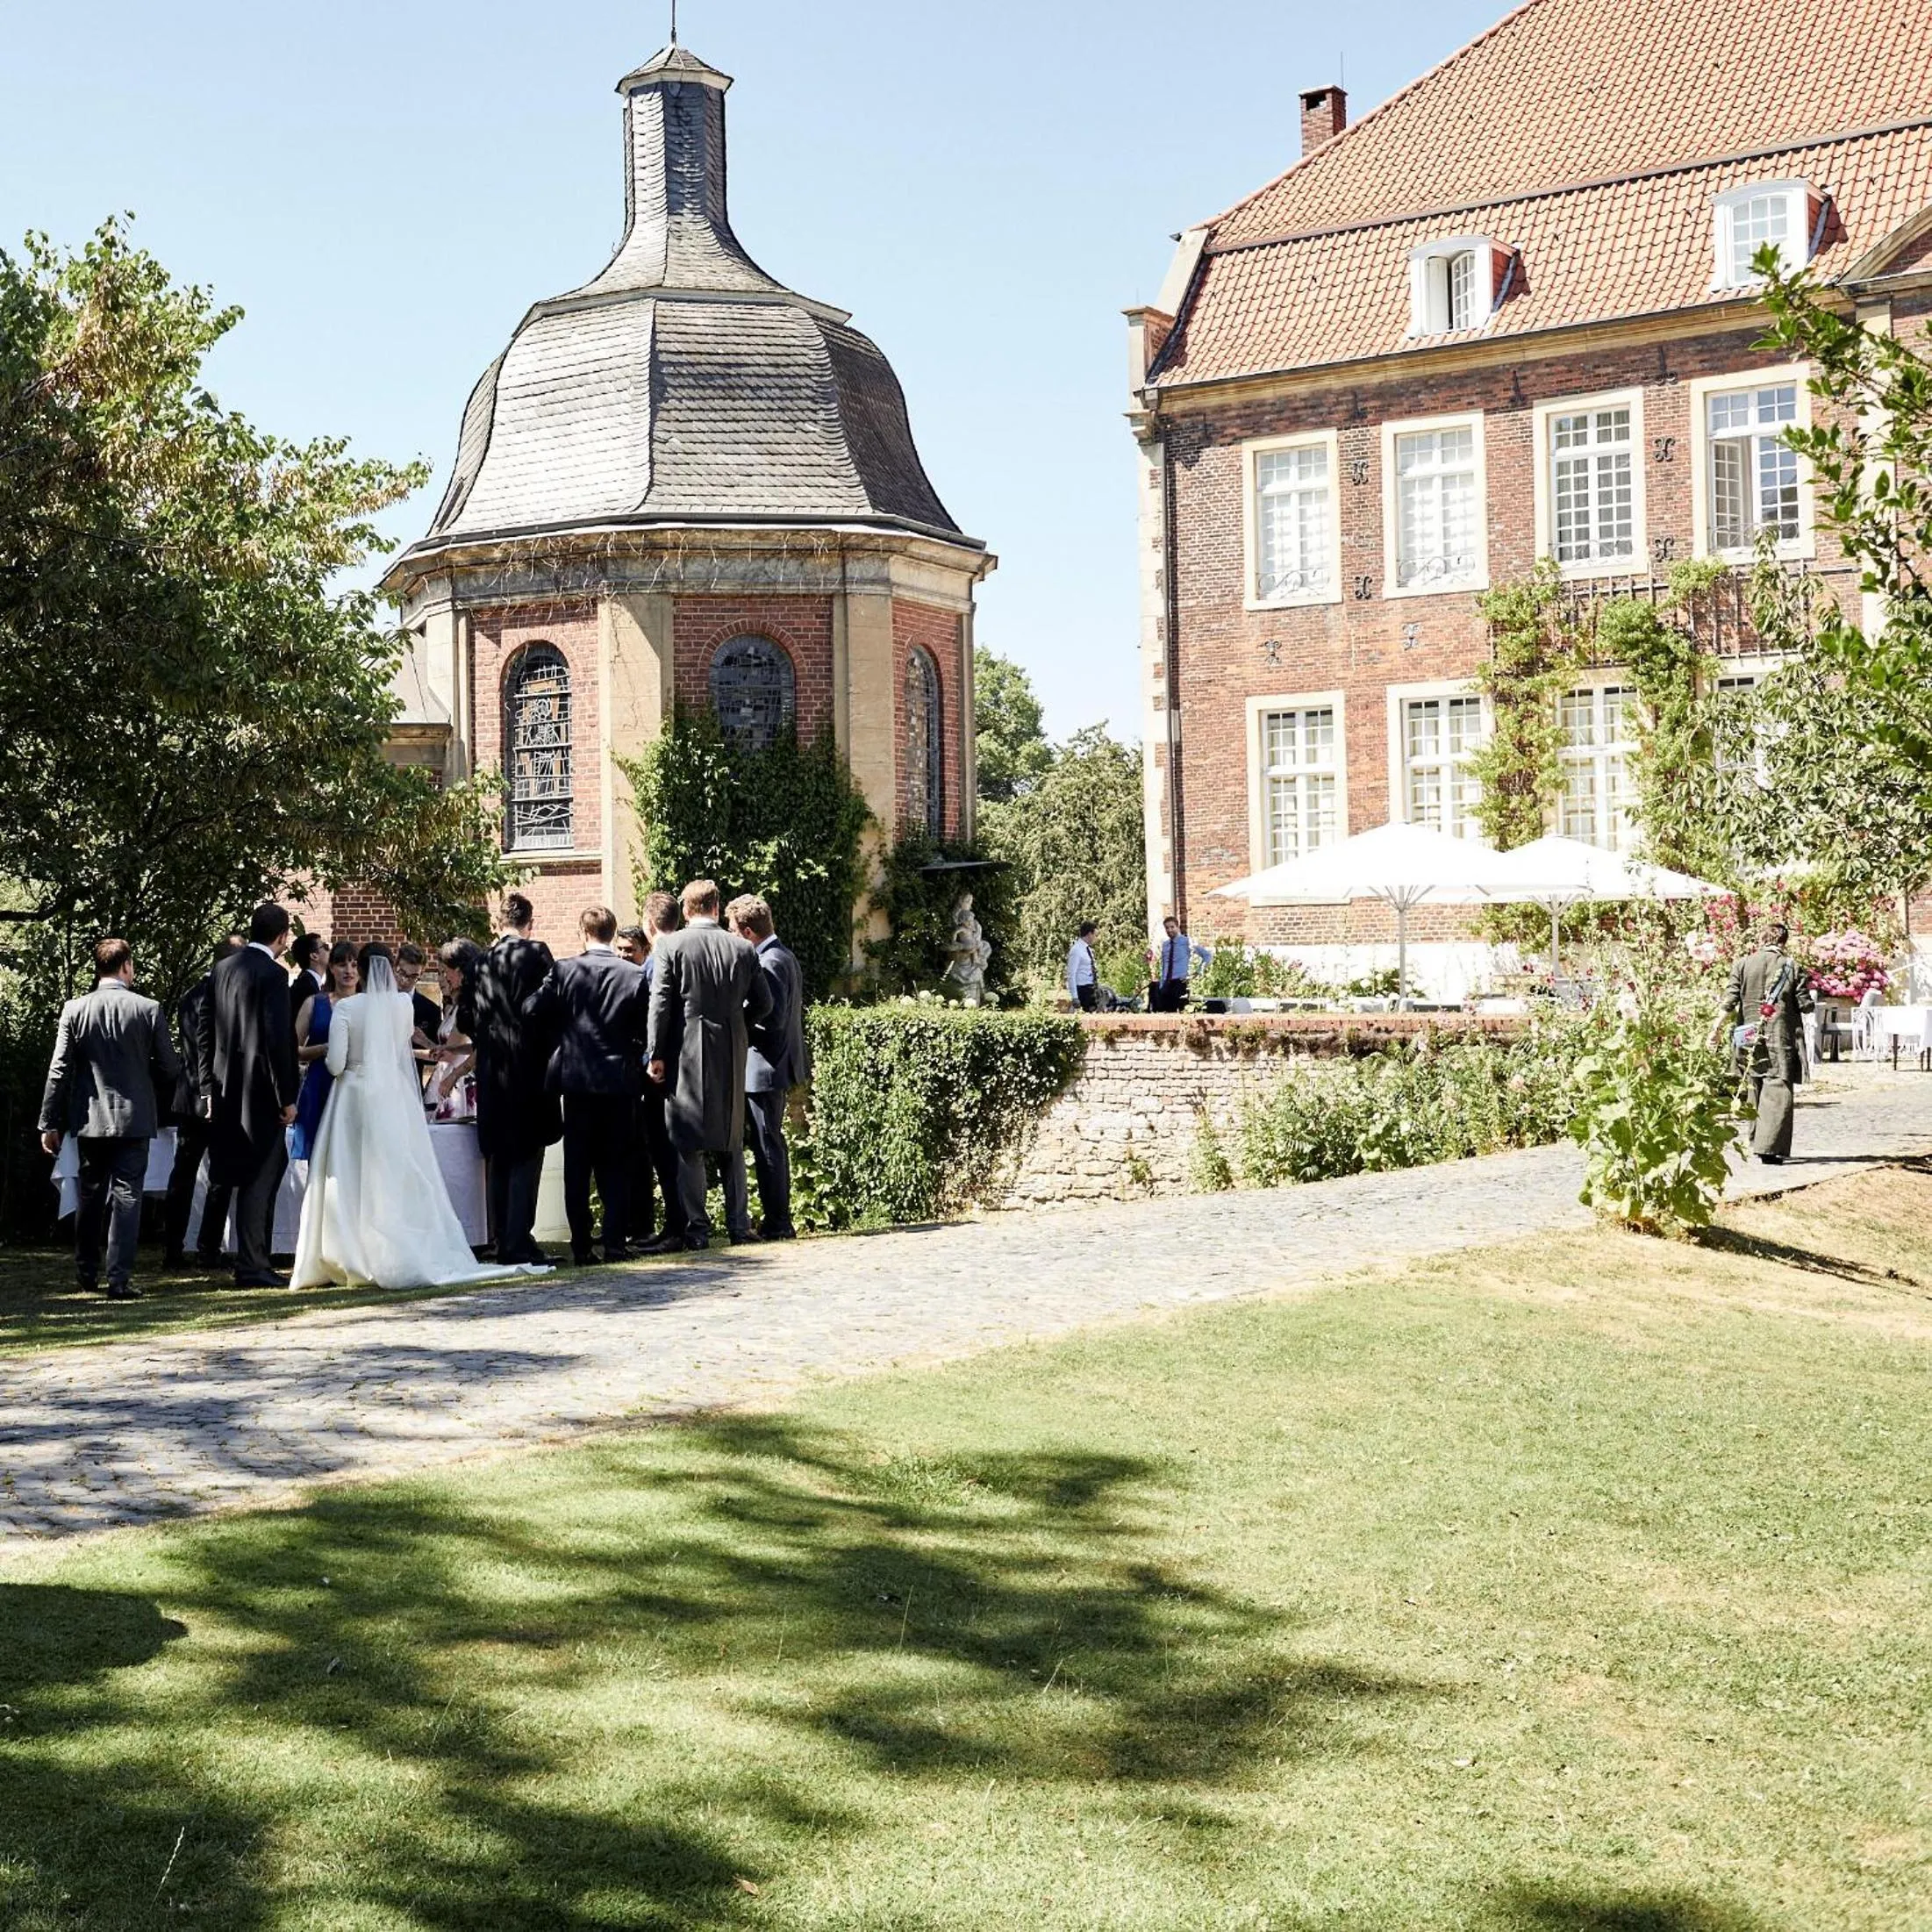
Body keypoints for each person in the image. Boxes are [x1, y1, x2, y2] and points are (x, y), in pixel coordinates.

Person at [291, 947, 549, 1289]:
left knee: (350, 1172)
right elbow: (398, 1051)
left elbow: (337, 1063)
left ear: (363, 970)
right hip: (393, 1097)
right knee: (394, 1171)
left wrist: (340, 1060)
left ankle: (348, 1250)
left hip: (352, 1096)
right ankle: (392, 1246)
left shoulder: (347, 1008)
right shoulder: (402, 1005)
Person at [39, 938, 182, 1300]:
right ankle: (119, 1278)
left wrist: (49, 1121)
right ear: (126, 966)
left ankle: (86, 1272)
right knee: (128, 1195)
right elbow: (168, 1067)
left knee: (89, 1194)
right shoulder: (148, 1009)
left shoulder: (75, 1009)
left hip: (90, 1117)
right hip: (134, 1116)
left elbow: (59, 1070)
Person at [645, 879, 773, 1252]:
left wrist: (655, 1054)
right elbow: (764, 1004)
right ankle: (737, 1225)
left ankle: (698, 1229)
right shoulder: (741, 948)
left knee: (688, 1144)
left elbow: (661, 1004)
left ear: (686, 910)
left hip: (686, 1049)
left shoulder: (671, 944)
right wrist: (738, 1024)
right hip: (732, 1047)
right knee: (732, 1140)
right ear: (716, 908)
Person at [529, 906, 648, 1265]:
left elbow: (533, 1009)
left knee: (577, 1167)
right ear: (612, 933)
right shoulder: (633, 974)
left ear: (583, 931)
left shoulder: (565, 970)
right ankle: (614, 1241)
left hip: (577, 1080)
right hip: (618, 1081)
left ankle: (581, 1244)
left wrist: (562, 1036)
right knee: (616, 1165)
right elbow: (646, 1027)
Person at [206, 904, 300, 1287]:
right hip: (261, 1091)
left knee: (241, 1174)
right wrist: (287, 1096)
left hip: (226, 1086)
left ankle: (250, 1258)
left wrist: (207, 1085)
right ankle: (253, 1263)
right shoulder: (274, 975)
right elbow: (279, 1040)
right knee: (262, 1176)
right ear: (282, 937)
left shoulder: (222, 969)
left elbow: (206, 1028)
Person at [466, 891, 562, 1264]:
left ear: (498, 923)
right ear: (530, 922)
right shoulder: (537, 954)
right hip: (528, 1067)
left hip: (492, 1069)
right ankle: (519, 1239)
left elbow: (467, 1018)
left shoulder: (480, 962)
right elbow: (552, 1003)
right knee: (527, 1153)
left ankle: (505, 1236)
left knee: (501, 1155)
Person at [724, 893, 804, 1243]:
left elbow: (772, 1019)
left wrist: (735, 1021)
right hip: (772, 1064)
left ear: (746, 931)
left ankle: (777, 1222)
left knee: (767, 1143)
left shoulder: (769, 961)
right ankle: (778, 1220)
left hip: (764, 1066)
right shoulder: (782, 955)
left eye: (732, 929)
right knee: (769, 1141)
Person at [162, 935, 243, 1270]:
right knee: (219, 1175)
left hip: (189, 1096)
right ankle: (208, 1248)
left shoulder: (189, 995)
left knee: (183, 1174)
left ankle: (173, 1247)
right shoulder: (221, 998)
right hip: (215, 1095)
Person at [1718, 920, 1814, 1165]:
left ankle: (1755, 1138)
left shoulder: (1742, 964)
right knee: (1778, 1087)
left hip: (1748, 1034)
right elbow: (1805, 1004)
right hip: (1778, 1034)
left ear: (1762, 939)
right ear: (1783, 940)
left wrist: (1715, 1029)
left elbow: (1729, 1000)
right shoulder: (1792, 966)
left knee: (1754, 1084)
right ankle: (1770, 1147)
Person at [630, 898, 687, 1251]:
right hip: (689, 1064)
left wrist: (653, 1055)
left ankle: (675, 1227)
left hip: (660, 1069)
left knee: (663, 1150)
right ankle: (682, 1222)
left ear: (649, 923)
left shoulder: (658, 960)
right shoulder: (689, 951)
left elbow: (655, 1012)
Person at [290, 941, 358, 1163]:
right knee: (319, 1159)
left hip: (356, 1087)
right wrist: (324, 1049)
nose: (348, 971)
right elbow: (294, 1049)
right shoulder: (314, 1003)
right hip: (320, 1085)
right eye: (341, 964)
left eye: (354, 965)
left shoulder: (368, 1005)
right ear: (331, 968)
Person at [426, 939, 482, 1123]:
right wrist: (453, 1050)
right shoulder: (465, 1000)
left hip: (469, 1080)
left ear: (459, 970)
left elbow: (484, 1046)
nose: (444, 977)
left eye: (446, 971)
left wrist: (455, 1074)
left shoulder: (479, 1002)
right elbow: (475, 1044)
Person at [1151, 916, 1212, 1013]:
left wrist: (1198, 972)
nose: (1169, 930)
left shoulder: (1187, 942)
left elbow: (1207, 955)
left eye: (1172, 927)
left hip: (1180, 983)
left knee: (1181, 1013)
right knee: (1165, 1013)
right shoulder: (1165, 945)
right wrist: (1162, 983)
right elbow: (1164, 965)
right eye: (1167, 928)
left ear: (1177, 927)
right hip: (1166, 983)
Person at [395, 943, 443, 1058]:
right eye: (402, 973)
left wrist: (424, 1042)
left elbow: (439, 1057)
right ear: (394, 967)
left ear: (421, 974)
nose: (405, 980)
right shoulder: (379, 1001)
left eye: (413, 976)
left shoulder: (431, 1010)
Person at [287, 933, 326, 1051]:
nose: (330, 951)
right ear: (314, 956)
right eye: (325, 947)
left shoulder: (309, 983)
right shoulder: (306, 987)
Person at [1066, 922, 1100, 1013]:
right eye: (1095, 935)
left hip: (1090, 988)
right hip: (1082, 989)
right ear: (1089, 934)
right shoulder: (1076, 950)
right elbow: (1071, 974)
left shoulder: (1087, 949)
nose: (1095, 938)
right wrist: (1074, 997)